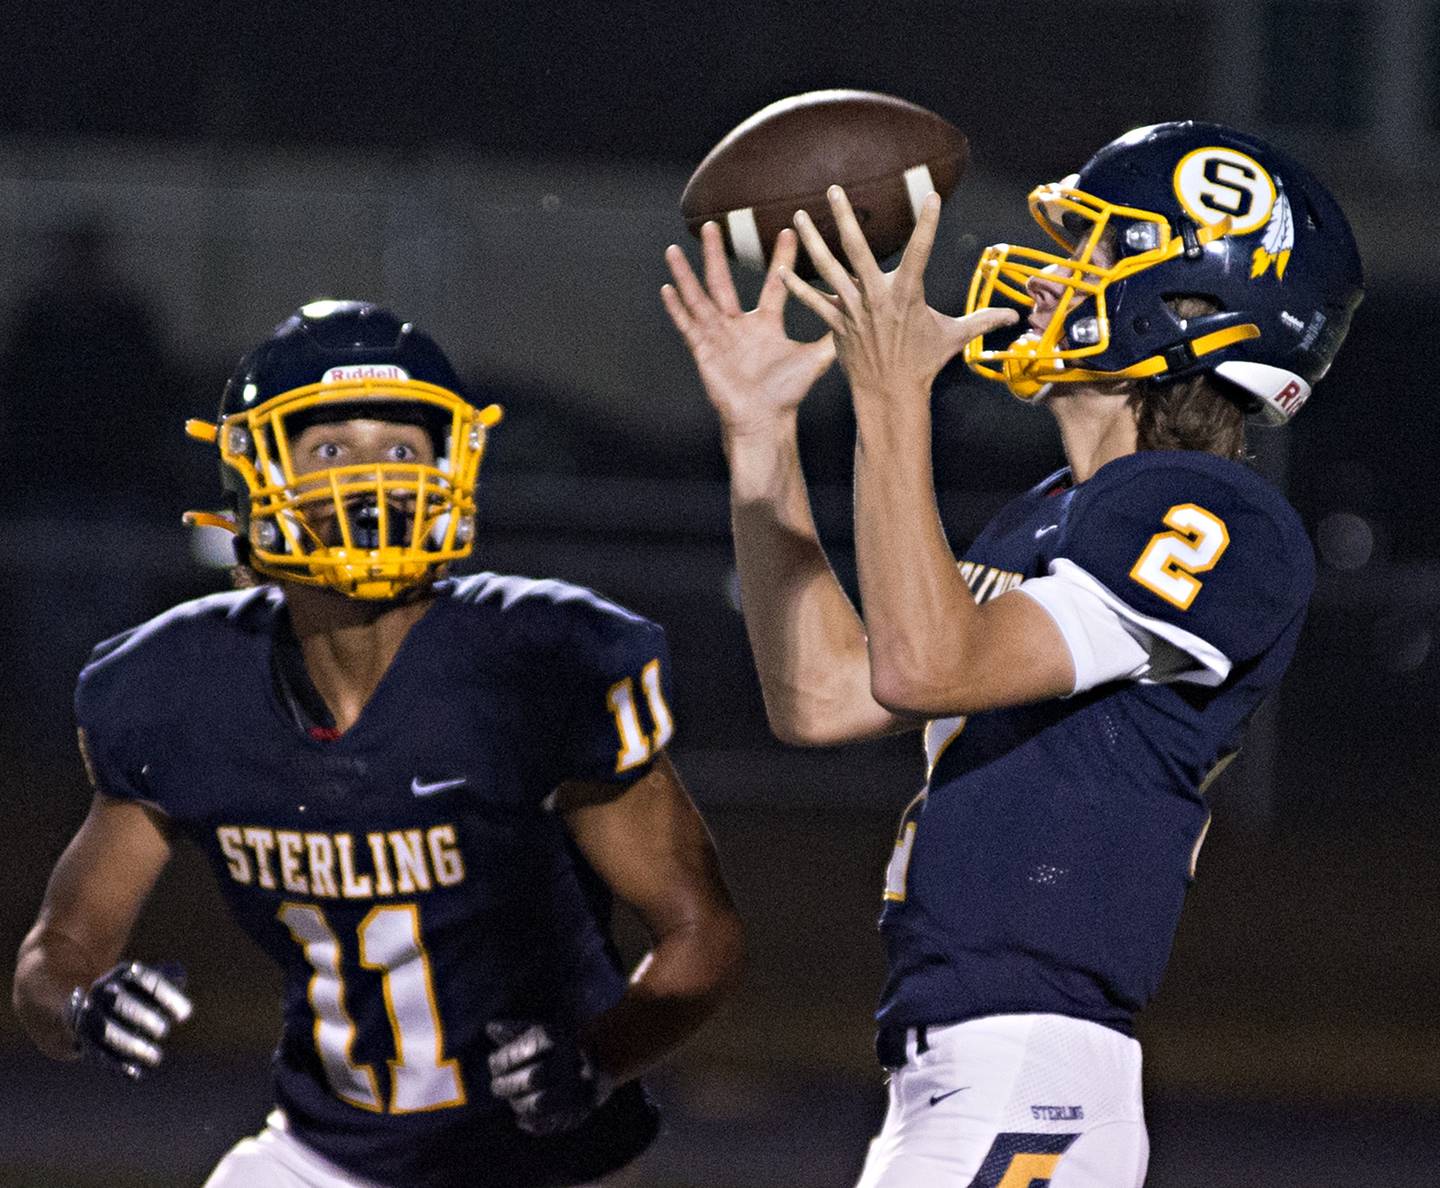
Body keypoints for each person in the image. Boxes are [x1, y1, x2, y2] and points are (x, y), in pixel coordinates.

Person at [662, 121, 1362, 1186]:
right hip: (960, 1069)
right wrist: (763, 436)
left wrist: (893, 396)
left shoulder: (1217, 514)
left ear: (1191, 308)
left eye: (1095, 251)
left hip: (1029, 1069)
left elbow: (926, 669)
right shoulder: (1052, 515)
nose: (1051, 277)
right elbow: (824, 694)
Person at [13, 300, 744, 1188]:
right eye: (330, 450)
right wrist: (84, 1006)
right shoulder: (181, 685)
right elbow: (60, 952)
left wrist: (598, 1058)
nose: (372, 480)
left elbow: (700, 930)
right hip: (319, 1156)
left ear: (452, 465)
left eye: (401, 449)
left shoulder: (541, 660)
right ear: (257, 476)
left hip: (547, 1161)